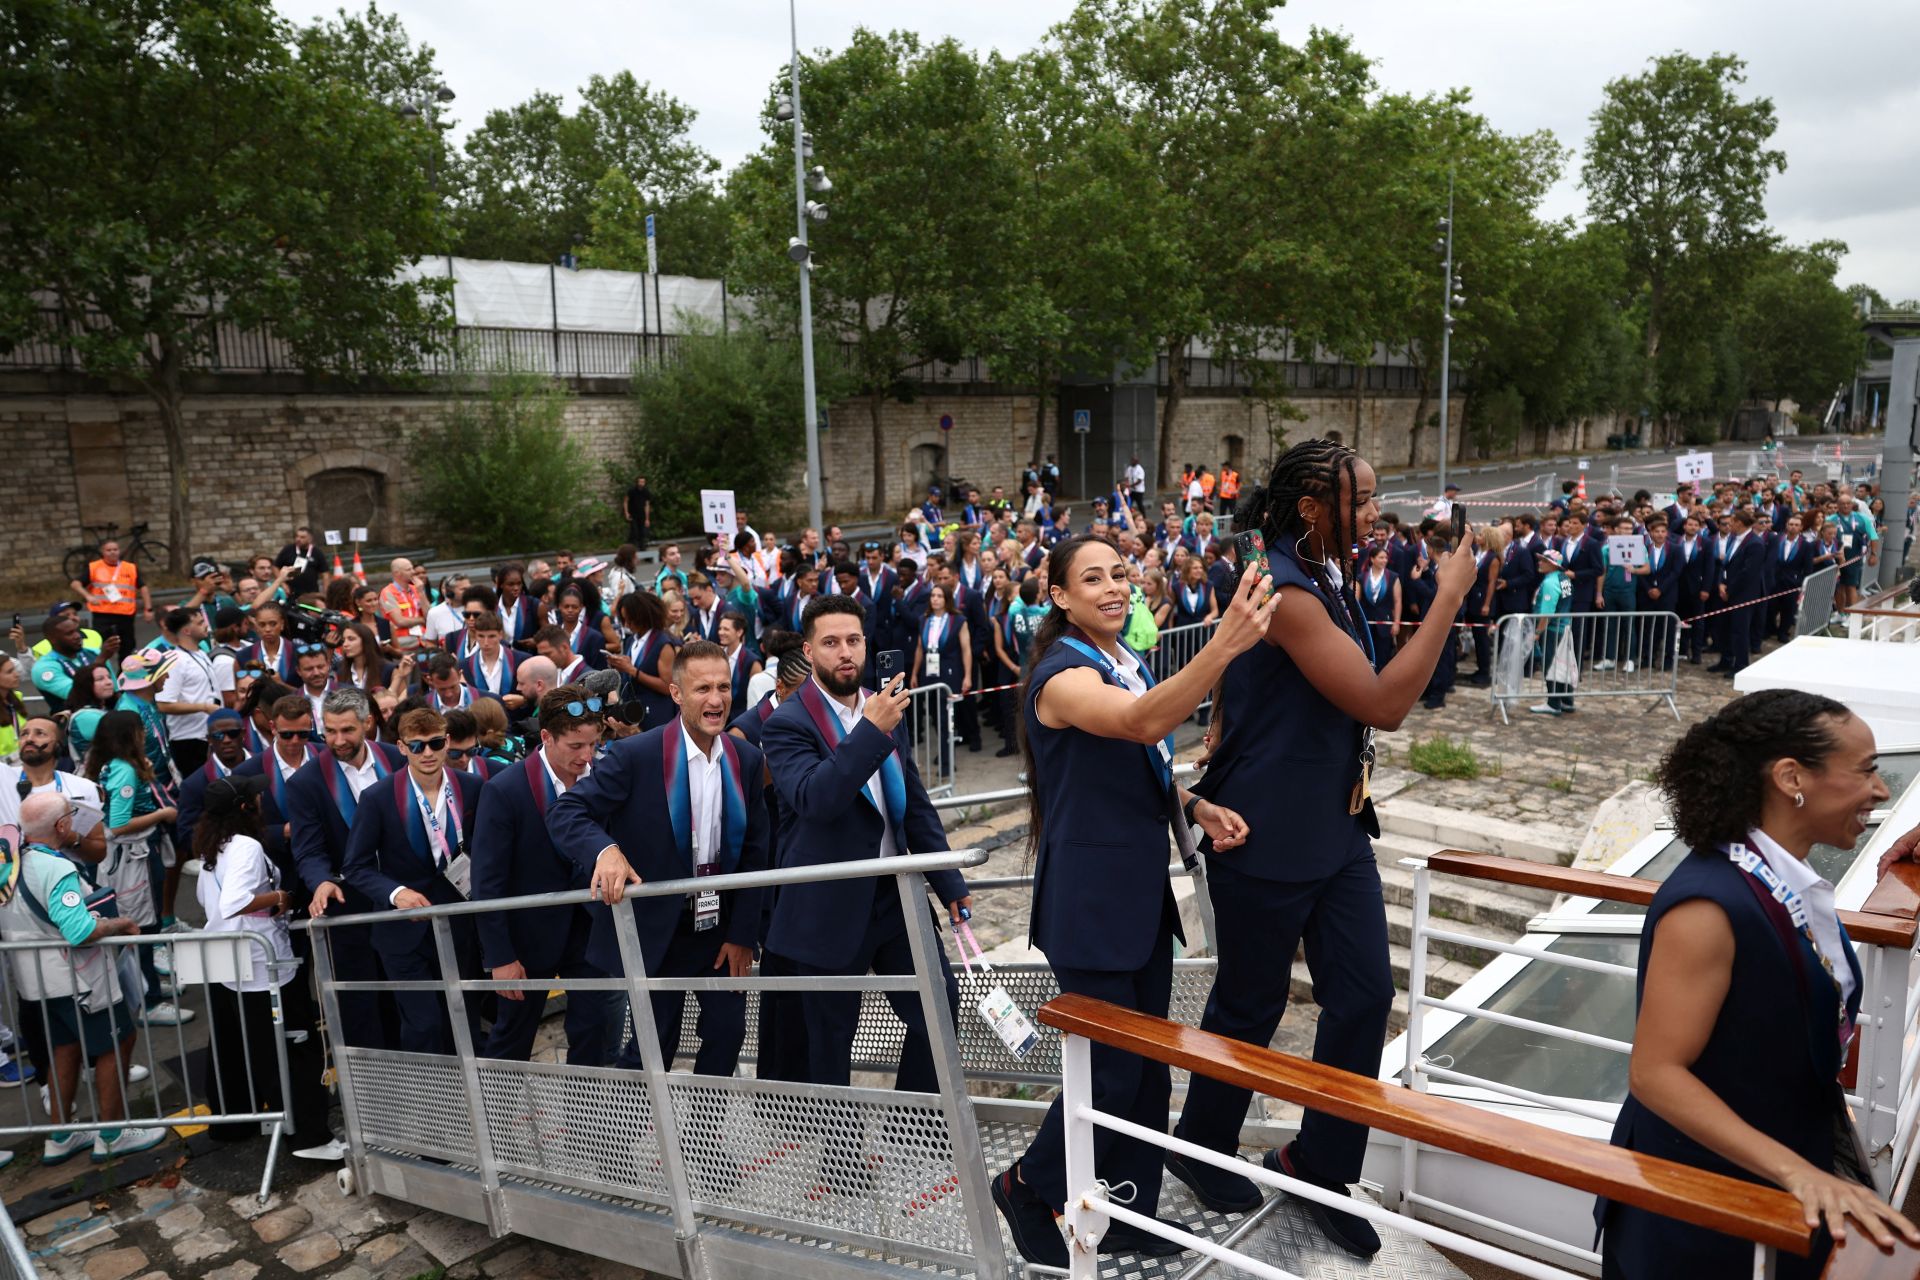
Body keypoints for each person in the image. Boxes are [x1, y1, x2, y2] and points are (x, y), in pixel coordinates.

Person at [1168, 438, 1475, 1260]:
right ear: (1311, 508)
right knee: (1249, 1005)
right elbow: (1383, 703)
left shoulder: (1321, 570)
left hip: (1336, 830)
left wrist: (1229, 718)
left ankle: (1319, 1160)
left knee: (1366, 995)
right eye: (1363, 500)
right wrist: (1448, 597)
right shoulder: (1290, 584)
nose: (1377, 515)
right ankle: (1201, 1148)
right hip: (1263, 831)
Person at [990, 536, 1274, 1266]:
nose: (1114, 587)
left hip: (1139, 897)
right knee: (1112, 1068)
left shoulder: (1121, 662)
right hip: (1089, 906)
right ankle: (1029, 1184)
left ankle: (1132, 1212)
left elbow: (1133, 763)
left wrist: (1194, 805)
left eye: (1120, 574)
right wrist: (1222, 647)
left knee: (1148, 1067)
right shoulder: (1059, 676)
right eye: (1093, 578)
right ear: (1059, 596)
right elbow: (1142, 723)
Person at [1600, 691, 1920, 1276]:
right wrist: (1796, 1172)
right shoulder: (1708, 908)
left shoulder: (1786, 881)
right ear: (1791, 777)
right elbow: (1655, 1073)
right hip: (1707, 1208)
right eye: (1867, 770)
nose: (1881, 790)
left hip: (1776, 1179)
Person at [760, 596, 970, 1096]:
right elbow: (817, 798)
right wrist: (871, 730)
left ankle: (914, 1118)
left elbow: (913, 803)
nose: (845, 652)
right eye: (831, 643)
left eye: (853, 640)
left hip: (895, 896)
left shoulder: (882, 706)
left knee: (939, 1006)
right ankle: (841, 1158)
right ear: (809, 652)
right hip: (827, 902)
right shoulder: (788, 723)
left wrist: (948, 880)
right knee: (830, 1040)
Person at [552, 641, 770, 1078]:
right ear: (675, 694)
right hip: (657, 929)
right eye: (702, 688)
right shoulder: (638, 755)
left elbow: (755, 851)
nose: (716, 700)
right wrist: (605, 851)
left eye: (724, 687)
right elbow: (566, 811)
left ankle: (700, 1138)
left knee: (728, 1032)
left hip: (718, 926)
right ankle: (623, 1139)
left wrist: (743, 932)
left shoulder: (746, 759)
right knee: (655, 1042)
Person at [5, 793, 167, 1165]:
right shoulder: (55, 868)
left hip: (36, 984)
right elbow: (78, 930)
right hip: (79, 980)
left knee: (65, 1049)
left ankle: (61, 1135)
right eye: (71, 816)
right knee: (118, 1041)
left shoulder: (11, 865)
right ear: (62, 826)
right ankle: (111, 1134)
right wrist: (120, 924)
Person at [191, 774, 341, 1160]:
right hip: (262, 962)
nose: (262, 800)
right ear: (245, 807)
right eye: (255, 796)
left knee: (239, 1044)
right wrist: (282, 897)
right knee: (295, 1044)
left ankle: (239, 1121)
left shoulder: (214, 843)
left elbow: (207, 899)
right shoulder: (244, 846)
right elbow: (235, 902)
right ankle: (310, 1137)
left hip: (230, 958)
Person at [471, 687, 610, 1065]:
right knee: (513, 1035)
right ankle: (496, 1121)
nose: (587, 756)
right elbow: (487, 881)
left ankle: (587, 1121)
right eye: (575, 745)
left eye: (594, 744)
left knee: (593, 1027)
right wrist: (500, 957)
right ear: (546, 737)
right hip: (526, 939)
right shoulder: (504, 789)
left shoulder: (603, 777)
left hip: (589, 929)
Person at [341, 706, 486, 1055]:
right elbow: (355, 866)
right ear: (401, 747)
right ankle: (426, 1103)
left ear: (447, 741)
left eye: (436, 744)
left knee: (464, 1019)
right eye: (417, 745)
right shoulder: (377, 797)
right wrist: (396, 893)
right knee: (424, 1024)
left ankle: (472, 1104)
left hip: (460, 927)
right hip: (403, 932)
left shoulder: (473, 787)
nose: (428, 753)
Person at [291, 687, 406, 1050]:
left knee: (411, 998)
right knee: (360, 1007)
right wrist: (321, 881)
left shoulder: (397, 759)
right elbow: (308, 850)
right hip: (349, 906)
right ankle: (372, 1093)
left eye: (347, 731)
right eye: (329, 731)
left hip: (403, 897)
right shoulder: (306, 783)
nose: (337, 740)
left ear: (368, 723)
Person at [84, 710, 193, 1026]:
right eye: (140, 730)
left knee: (146, 921)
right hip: (130, 859)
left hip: (133, 855)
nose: (145, 735)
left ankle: (148, 984)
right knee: (142, 924)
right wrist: (164, 815)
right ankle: (148, 1001)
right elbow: (118, 824)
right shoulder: (123, 771)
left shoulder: (112, 765)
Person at [155, 607, 221, 774]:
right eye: (199, 623)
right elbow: (164, 704)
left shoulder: (201, 653)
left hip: (208, 735)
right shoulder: (175, 660)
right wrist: (204, 707)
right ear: (186, 630)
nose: (206, 625)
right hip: (189, 740)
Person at [69, 538, 150, 653]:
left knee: (127, 646)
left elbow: (143, 587)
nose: (112, 552)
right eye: (109, 550)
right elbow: (75, 584)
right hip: (103, 613)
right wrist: (88, 596)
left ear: (119, 551)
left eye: (115, 549)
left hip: (125, 614)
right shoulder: (94, 567)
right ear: (103, 552)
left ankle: (124, 670)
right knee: (97, 644)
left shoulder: (130, 568)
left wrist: (148, 609)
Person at [1528, 549, 1576, 716]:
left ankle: (1553, 703)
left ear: (1553, 565)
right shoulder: (1564, 578)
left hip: (1552, 630)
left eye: (1544, 561)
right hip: (1564, 628)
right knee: (1564, 665)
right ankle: (1566, 700)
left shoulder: (1550, 582)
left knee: (1552, 666)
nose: (1539, 563)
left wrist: (1538, 632)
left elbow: (1547, 613)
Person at [1355, 544, 1401, 670]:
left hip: (1385, 622)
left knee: (1383, 655)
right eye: (1381, 558)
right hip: (1366, 622)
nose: (1384, 560)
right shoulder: (1361, 577)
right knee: (1366, 654)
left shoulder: (1393, 577)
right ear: (1372, 559)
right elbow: (1356, 600)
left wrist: (1396, 622)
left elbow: (1397, 601)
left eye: (1386, 558)